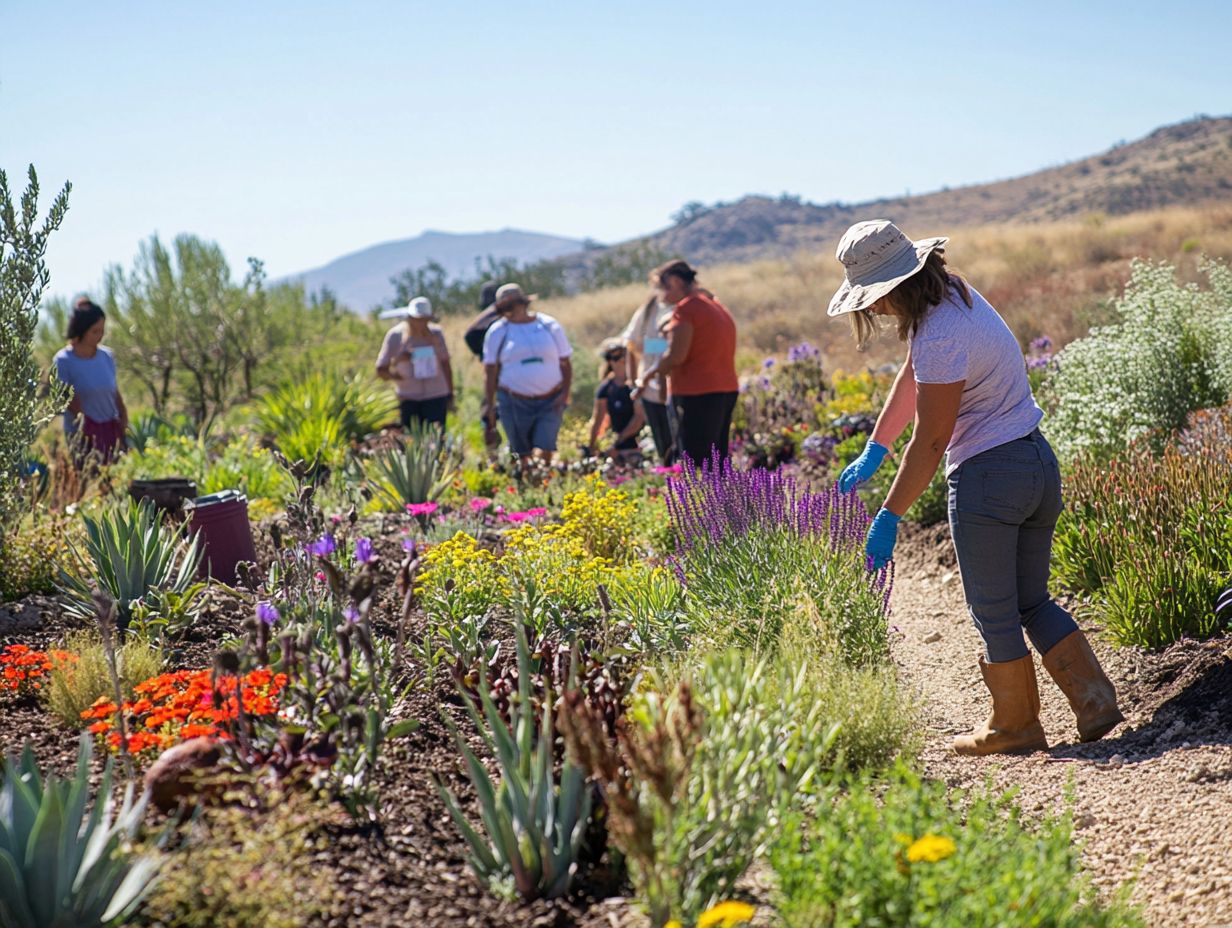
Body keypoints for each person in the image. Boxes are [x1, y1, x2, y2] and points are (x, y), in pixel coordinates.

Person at [828, 219, 1123, 756]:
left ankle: (1015, 726)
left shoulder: (939, 334)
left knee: (993, 610)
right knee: (1032, 599)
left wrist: (889, 514)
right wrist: (878, 443)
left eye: (870, 301)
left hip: (988, 478)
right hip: (1035, 461)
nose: (871, 311)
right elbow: (916, 373)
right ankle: (1096, 701)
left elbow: (934, 438)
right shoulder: (955, 294)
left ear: (891, 288)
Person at [633, 260, 738, 467]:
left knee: (695, 461)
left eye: (661, 288)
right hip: (725, 388)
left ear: (674, 282)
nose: (661, 296)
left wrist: (647, 376)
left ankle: (703, 499)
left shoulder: (687, 309)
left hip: (697, 393)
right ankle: (721, 499)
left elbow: (675, 356)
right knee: (716, 460)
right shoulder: (716, 306)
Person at [482, 282, 573, 468]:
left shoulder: (548, 325)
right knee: (521, 450)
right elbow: (490, 370)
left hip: (550, 398)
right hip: (514, 399)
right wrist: (490, 404)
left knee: (546, 444)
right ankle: (527, 478)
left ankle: (543, 477)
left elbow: (565, 362)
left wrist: (564, 394)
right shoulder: (498, 331)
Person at [54, 297, 128, 465]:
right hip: (82, 437)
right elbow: (68, 400)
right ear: (81, 330)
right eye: (95, 331)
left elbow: (113, 390)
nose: (100, 336)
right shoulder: (64, 360)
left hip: (111, 432)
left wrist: (122, 419)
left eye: (102, 330)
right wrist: (89, 429)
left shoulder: (107, 356)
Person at [375, 296, 454, 429]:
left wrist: (450, 393)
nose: (420, 323)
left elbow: (446, 363)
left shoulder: (436, 334)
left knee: (436, 439)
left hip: (436, 394)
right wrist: (398, 369)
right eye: (417, 319)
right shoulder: (395, 336)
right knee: (411, 440)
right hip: (408, 396)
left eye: (423, 320)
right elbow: (381, 369)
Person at [621, 292, 676, 464]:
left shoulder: (683, 308)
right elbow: (630, 344)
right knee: (662, 441)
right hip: (650, 389)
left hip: (677, 388)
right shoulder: (647, 311)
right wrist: (633, 381)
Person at [586, 337, 646, 462]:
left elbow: (639, 418)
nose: (621, 360)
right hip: (617, 448)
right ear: (609, 360)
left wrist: (616, 442)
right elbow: (598, 419)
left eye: (623, 354)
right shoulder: (606, 388)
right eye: (615, 357)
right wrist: (592, 446)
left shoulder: (637, 384)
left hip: (639, 445)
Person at [465, 280, 503, 451]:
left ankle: (498, 451)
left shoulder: (489, 321)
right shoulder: (493, 321)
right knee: (490, 408)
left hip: (504, 374)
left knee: (491, 407)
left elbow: (469, 336)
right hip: (499, 374)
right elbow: (470, 336)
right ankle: (494, 451)